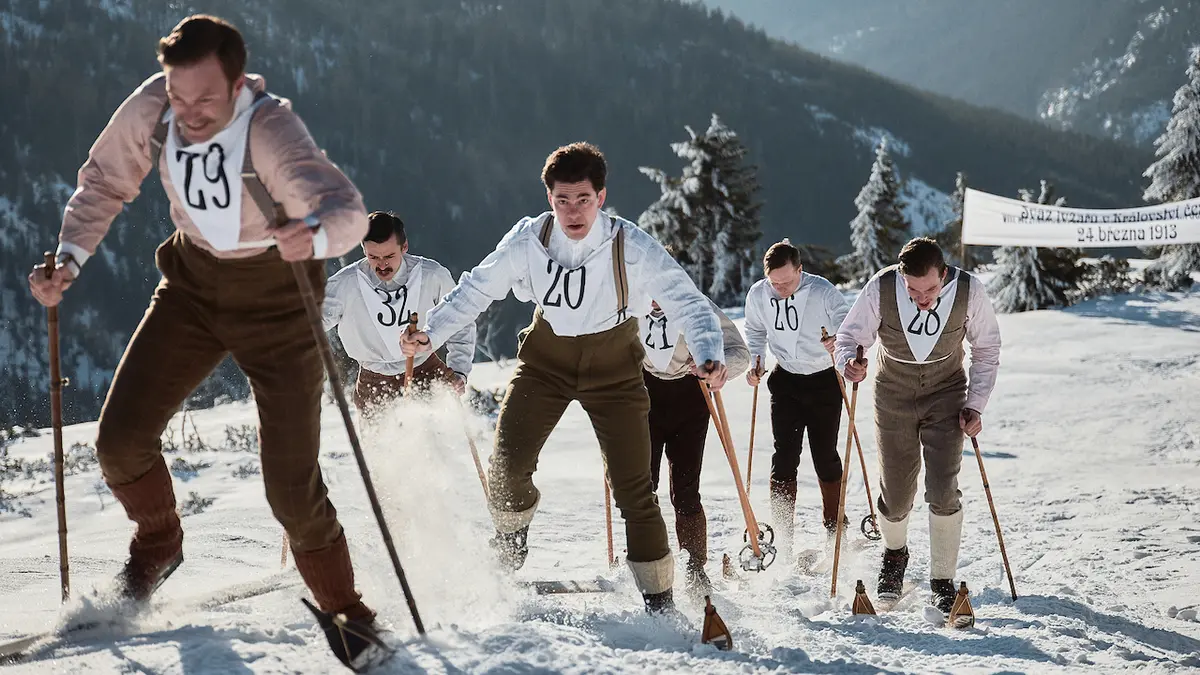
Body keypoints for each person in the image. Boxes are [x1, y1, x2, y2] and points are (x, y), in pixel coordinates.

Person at [28, 15, 382, 668]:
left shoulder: (269, 129)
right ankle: (159, 543)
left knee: (291, 490)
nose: (188, 113)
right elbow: (105, 178)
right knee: (120, 441)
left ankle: (349, 617)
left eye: (205, 99)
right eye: (178, 94)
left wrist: (314, 235)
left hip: (279, 301)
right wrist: (69, 258)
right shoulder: (155, 109)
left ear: (239, 85)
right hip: (192, 286)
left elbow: (347, 211)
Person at [400, 142, 727, 614]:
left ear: (601, 197)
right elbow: (476, 289)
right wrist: (430, 334)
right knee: (507, 465)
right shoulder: (528, 240)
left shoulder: (631, 245)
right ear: (549, 198)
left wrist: (709, 352)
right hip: (545, 362)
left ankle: (660, 604)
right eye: (562, 200)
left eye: (583, 199)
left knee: (634, 490)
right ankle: (510, 540)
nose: (573, 211)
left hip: (614, 368)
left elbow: (688, 302)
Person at [834, 237, 1001, 616]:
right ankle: (895, 554)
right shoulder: (882, 286)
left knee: (943, 488)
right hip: (893, 392)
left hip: (947, 393)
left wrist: (975, 404)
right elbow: (850, 337)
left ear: (943, 274)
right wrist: (849, 363)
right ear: (901, 276)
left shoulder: (969, 290)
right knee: (895, 493)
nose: (922, 298)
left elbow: (987, 349)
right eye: (913, 290)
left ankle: (942, 579)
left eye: (930, 289)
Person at [743, 240, 850, 561]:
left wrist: (838, 341)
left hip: (824, 380)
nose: (781, 290)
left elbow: (848, 324)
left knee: (825, 456)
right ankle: (782, 535)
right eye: (775, 283)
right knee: (784, 457)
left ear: (800, 270)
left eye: (787, 282)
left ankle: (835, 530)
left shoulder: (822, 291)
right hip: (786, 379)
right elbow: (755, 330)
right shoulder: (759, 294)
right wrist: (756, 361)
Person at [639, 297, 749, 597]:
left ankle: (695, 569)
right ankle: (647, 562)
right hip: (643, 393)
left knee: (686, 490)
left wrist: (713, 367)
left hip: (690, 394)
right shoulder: (629, 301)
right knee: (641, 488)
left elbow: (739, 354)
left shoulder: (694, 303)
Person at [323, 210, 475, 415]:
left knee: (443, 434)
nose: (382, 264)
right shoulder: (345, 284)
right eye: (373, 257)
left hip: (427, 371)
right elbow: (310, 324)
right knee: (382, 438)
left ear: (404, 247)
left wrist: (458, 370)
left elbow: (459, 319)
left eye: (389, 256)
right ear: (364, 250)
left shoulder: (431, 275)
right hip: (373, 382)